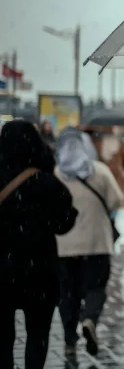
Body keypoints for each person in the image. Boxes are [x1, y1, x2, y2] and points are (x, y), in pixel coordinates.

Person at [0, 120, 78, 369]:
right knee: (38, 335)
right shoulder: (47, 183)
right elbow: (63, 225)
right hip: (39, 272)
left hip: (1, 272)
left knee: (2, 339)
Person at [54, 127, 123, 357]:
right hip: (97, 245)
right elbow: (116, 201)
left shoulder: (55, 175)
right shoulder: (100, 172)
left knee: (67, 294)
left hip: (64, 247)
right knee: (95, 287)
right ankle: (90, 320)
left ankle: (69, 335)